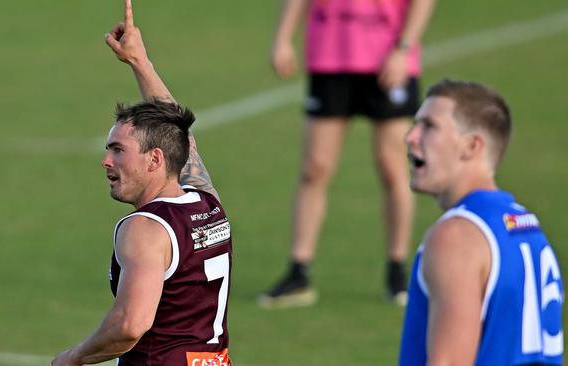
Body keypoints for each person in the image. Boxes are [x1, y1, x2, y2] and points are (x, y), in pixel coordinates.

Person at [51, 1, 233, 365]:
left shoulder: (145, 229)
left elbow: (131, 324)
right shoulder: (207, 205)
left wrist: (73, 358)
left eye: (119, 151)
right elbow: (181, 139)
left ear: (155, 160)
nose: (106, 160)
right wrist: (139, 61)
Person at [259, 0, 437, 308]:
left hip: (387, 57)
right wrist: (283, 38)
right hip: (330, 54)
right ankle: (298, 272)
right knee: (314, 168)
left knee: (391, 166)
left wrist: (404, 47)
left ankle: (397, 272)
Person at [398, 79, 564, 365]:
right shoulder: (525, 226)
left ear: (471, 146)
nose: (411, 137)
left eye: (429, 126)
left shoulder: (456, 236)